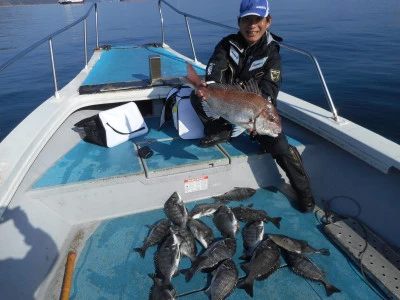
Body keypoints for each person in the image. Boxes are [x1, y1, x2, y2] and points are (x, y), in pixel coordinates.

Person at [190, 0, 315, 213]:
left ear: (268, 21)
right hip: (229, 104)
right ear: (239, 22)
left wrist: (261, 116)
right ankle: (223, 130)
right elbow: (215, 69)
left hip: (254, 111)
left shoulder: (272, 52)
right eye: (247, 20)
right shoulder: (226, 44)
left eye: (257, 20)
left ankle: (305, 194)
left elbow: (270, 87)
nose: (252, 25)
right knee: (197, 98)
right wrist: (207, 88)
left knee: (281, 146)